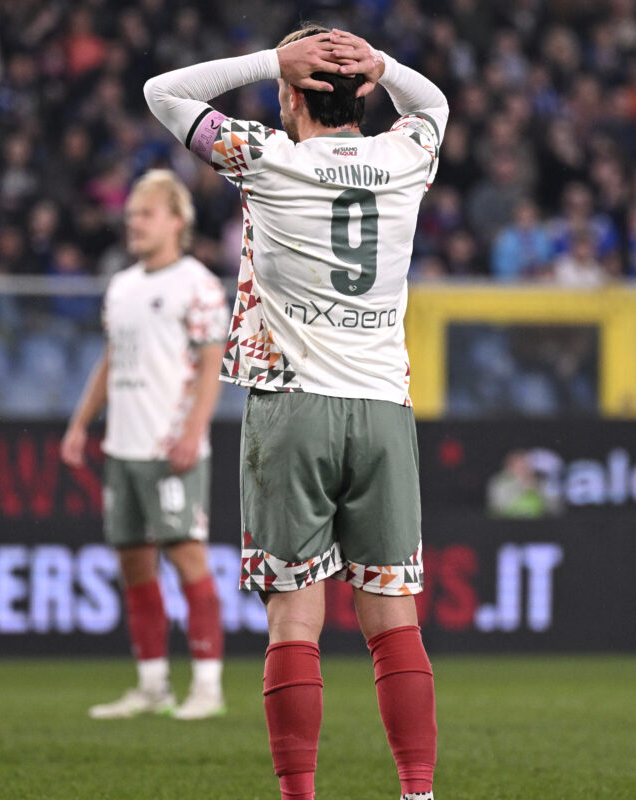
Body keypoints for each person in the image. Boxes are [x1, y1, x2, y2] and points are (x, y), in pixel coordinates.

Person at [144, 24, 447, 800]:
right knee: (395, 625)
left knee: (295, 626)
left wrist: (267, 59)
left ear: (288, 95)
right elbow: (435, 102)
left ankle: (299, 796)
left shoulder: (268, 158)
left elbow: (164, 93)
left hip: (292, 407)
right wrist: (383, 64)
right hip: (383, 410)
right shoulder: (407, 154)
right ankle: (418, 793)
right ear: (367, 95)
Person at [60, 169, 228, 721]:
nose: (133, 222)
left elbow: (211, 365)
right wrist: (81, 423)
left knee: (186, 554)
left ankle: (207, 686)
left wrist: (192, 431)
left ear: (177, 221)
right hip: (125, 447)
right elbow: (113, 359)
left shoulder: (197, 284)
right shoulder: (122, 286)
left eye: (146, 213)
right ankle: (152, 685)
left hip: (170, 447)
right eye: (131, 213)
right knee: (134, 562)